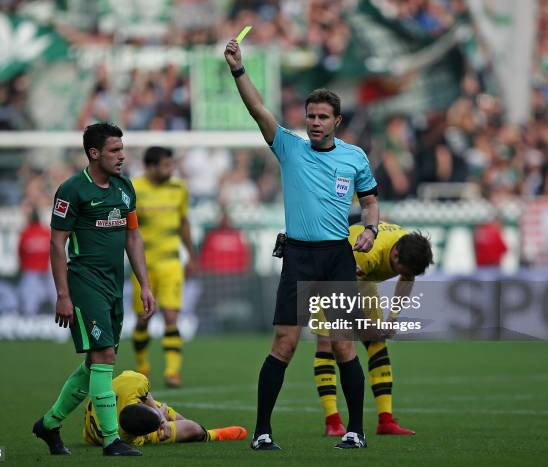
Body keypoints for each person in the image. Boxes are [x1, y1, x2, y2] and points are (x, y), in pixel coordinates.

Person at [224, 39, 380, 450]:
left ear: (337, 121)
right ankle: (261, 431)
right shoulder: (289, 148)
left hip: (337, 258)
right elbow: (258, 110)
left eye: (322, 117)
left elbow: (370, 201)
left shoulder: (355, 158)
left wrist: (371, 229)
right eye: (310, 116)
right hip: (298, 257)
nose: (314, 122)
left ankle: (355, 430)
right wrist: (239, 70)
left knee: (344, 344)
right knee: (285, 343)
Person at [32, 122, 156, 457]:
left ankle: (50, 423)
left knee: (93, 365)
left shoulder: (124, 187)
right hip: (84, 284)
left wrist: (144, 284)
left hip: (114, 287)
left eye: (122, 149)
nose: (122, 156)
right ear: (94, 153)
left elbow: (133, 236)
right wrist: (63, 295)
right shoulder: (72, 190)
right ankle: (111, 439)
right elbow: (57, 243)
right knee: (106, 356)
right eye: (115, 150)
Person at [312, 223, 433, 437]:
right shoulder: (367, 255)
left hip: (362, 279)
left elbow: (407, 279)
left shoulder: (409, 249)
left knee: (377, 341)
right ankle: (332, 421)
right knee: (329, 343)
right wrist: (366, 325)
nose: (403, 274)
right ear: (395, 254)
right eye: (400, 270)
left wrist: (392, 318)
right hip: (327, 278)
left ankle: (385, 421)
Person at [131, 147, 197, 388]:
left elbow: (184, 222)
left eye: (171, 165)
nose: (170, 170)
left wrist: (191, 254)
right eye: (165, 166)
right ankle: (143, 366)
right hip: (143, 265)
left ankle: (172, 371)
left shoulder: (178, 188)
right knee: (143, 319)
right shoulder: (134, 189)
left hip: (171, 261)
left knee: (171, 316)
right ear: (150, 167)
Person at [83, 370, 248, 447]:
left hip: (92, 434)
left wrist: (161, 417)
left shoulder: (134, 384)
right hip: (128, 430)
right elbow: (143, 408)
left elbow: (146, 395)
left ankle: (171, 418)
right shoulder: (129, 438)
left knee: (166, 412)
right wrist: (160, 418)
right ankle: (213, 434)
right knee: (192, 428)